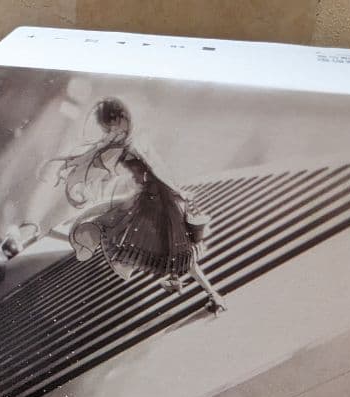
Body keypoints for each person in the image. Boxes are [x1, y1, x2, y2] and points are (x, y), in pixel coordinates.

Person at [47, 97, 226, 313]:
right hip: (150, 198)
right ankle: (188, 283)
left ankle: (207, 291)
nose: (110, 132)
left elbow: (157, 170)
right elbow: (96, 152)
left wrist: (177, 191)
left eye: (111, 127)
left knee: (172, 248)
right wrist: (71, 163)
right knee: (160, 245)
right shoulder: (122, 142)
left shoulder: (132, 143)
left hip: (160, 199)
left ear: (120, 120)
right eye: (107, 129)